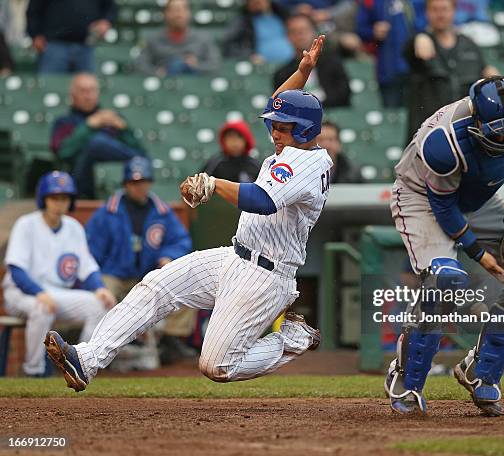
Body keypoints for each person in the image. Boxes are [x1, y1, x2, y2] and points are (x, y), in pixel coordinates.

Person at [44, 35, 333, 392]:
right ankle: (86, 360)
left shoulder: (307, 163)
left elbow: (260, 199)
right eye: (274, 124)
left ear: (304, 129)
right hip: (235, 256)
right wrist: (302, 72)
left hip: (267, 275)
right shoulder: (292, 142)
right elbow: (280, 106)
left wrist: (213, 184)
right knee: (156, 286)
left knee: (217, 365)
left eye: (282, 126)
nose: (274, 131)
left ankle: (292, 340)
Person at [385, 76, 504, 416]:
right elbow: (444, 207)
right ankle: (407, 379)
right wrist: (479, 253)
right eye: (498, 131)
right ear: (478, 122)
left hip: (478, 194)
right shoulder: (446, 142)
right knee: (445, 279)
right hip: (421, 195)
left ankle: (481, 371)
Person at [2, 172, 116, 377]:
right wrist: (38, 293)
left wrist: (99, 287)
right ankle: (33, 371)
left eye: (64, 198)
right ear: (43, 199)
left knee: (99, 305)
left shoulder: (74, 228)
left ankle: (81, 365)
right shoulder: (26, 224)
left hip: (55, 293)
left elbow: (86, 266)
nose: (59, 203)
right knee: (42, 308)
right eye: (54, 198)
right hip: (20, 292)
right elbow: (16, 270)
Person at [85, 156, 195, 366]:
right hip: (115, 274)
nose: (139, 186)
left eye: (143, 181)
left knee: (186, 284)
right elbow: (91, 250)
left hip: (148, 273)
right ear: (126, 183)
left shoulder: (161, 211)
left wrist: (168, 256)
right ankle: (97, 349)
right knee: (101, 293)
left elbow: (180, 240)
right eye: (134, 182)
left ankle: (170, 338)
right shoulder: (108, 211)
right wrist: (95, 279)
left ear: (150, 182)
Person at [404, 0, 498, 140]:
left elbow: (484, 71)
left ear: (454, 11)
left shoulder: (469, 45)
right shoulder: (420, 41)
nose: (440, 14)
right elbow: (410, 51)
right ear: (427, 13)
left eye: (444, 9)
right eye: (434, 10)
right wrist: (420, 38)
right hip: (428, 135)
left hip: (463, 133)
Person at [50, 73, 148, 199]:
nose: (88, 96)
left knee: (140, 160)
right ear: (72, 95)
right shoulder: (64, 122)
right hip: (79, 184)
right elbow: (63, 153)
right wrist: (88, 126)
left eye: (92, 91)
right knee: (96, 143)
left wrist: (124, 129)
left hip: (121, 183)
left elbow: (140, 150)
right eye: (83, 91)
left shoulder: (112, 119)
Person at [274, 14, 351, 107]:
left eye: (304, 30)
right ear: (288, 37)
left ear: (314, 32)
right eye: (294, 32)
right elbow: (281, 105)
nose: (300, 35)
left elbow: (344, 95)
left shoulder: (333, 63)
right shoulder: (282, 74)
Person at [135, 0, 220, 77]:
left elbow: (214, 66)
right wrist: (156, 72)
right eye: (174, 10)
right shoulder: (153, 39)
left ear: (189, 13)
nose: (179, 14)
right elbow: (141, 65)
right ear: (166, 13)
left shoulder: (203, 38)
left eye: (183, 9)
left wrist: (197, 65)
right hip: (163, 85)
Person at [26, 0, 115, 74]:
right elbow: (33, 10)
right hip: (54, 45)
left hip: (87, 46)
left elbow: (110, 7)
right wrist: (35, 35)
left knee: (86, 89)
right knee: (50, 88)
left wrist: (106, 21)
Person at [356, 0, 411, 108]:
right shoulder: (370, 2)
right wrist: (373, 31)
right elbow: (360, 29)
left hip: (415, 69)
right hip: (388, 69)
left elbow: (425, 20)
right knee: (391, 114)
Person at [222, 0, 293, 64]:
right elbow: (229, 47)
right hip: (261, 67)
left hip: (292, 63)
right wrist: (249, 56)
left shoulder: (283, 16)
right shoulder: (241, 22)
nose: (257, 1)